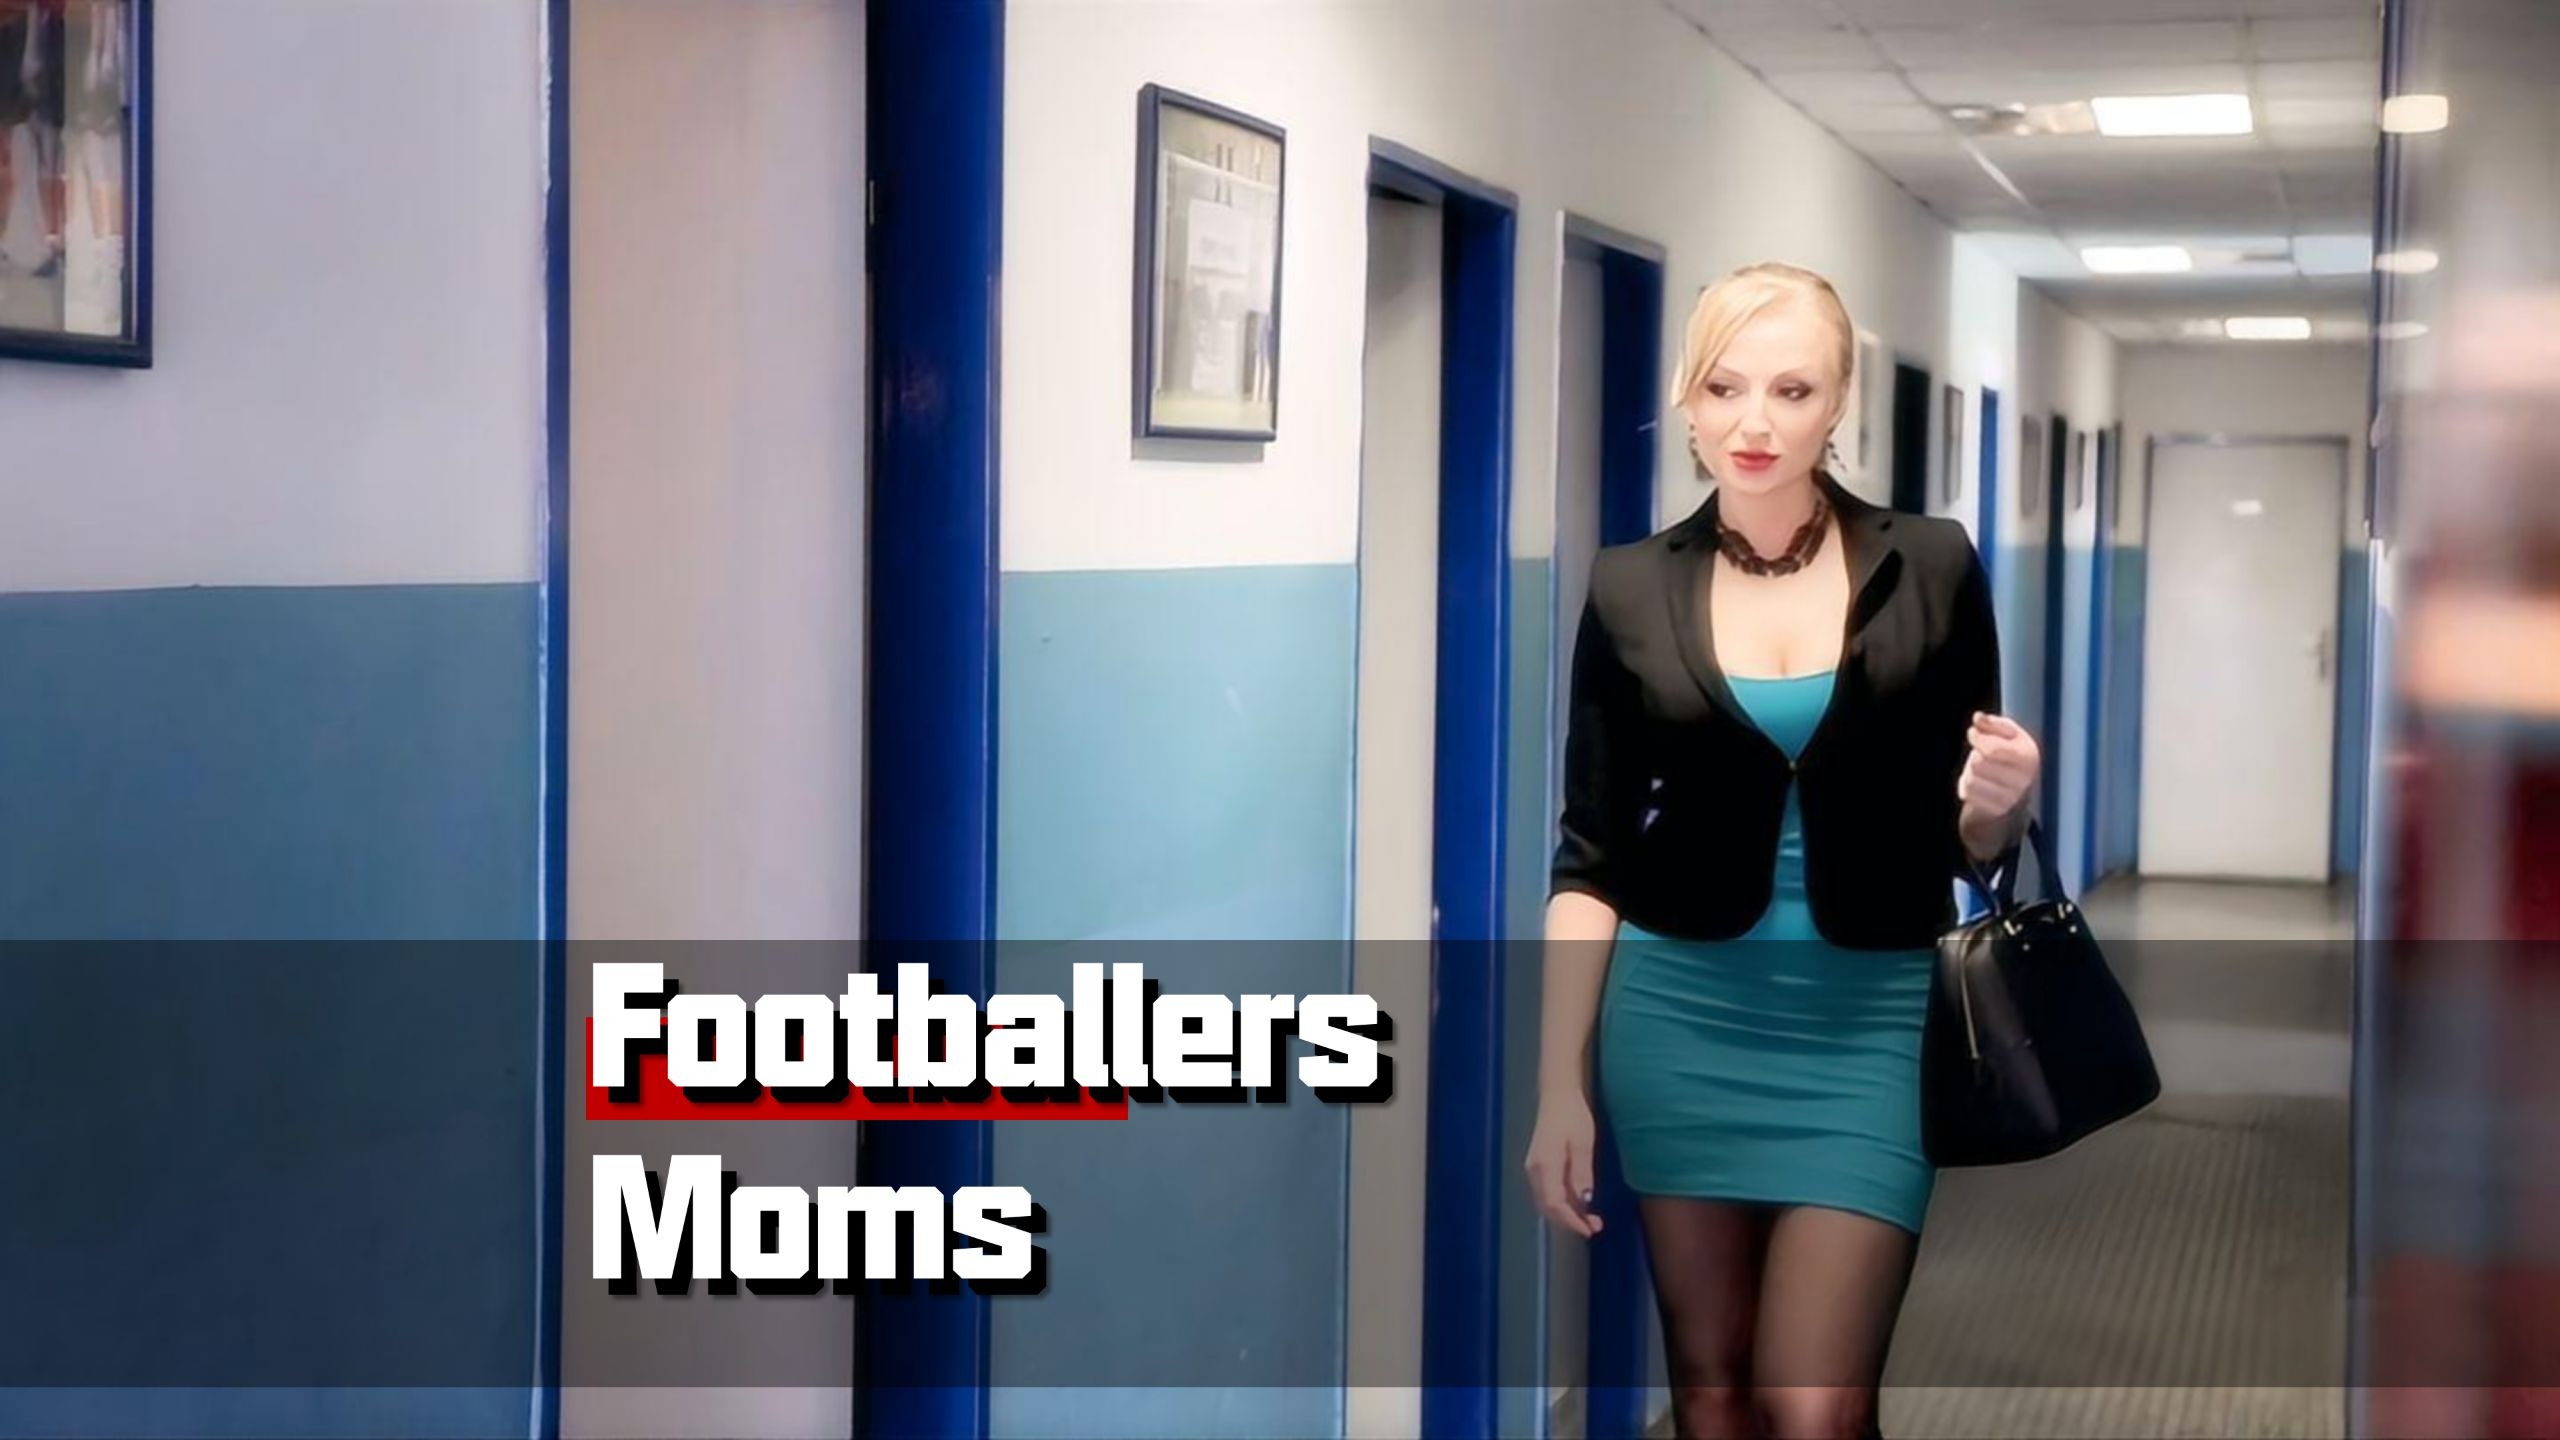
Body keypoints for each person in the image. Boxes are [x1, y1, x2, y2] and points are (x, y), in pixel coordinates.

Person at [1523, 262, 2041, 1439]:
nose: (1753, 422)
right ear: (1687, 400)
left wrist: (1999, 803)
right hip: (1681, 1017)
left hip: (1869, 1020)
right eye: (1725, 387)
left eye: (1791, 390)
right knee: (1711, 1396)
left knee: (1815, 1405)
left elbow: (1970, 837)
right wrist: (1559, 1086)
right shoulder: (1629, 588)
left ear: (1838, 402)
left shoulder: (1933, 565)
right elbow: (1589, 860)